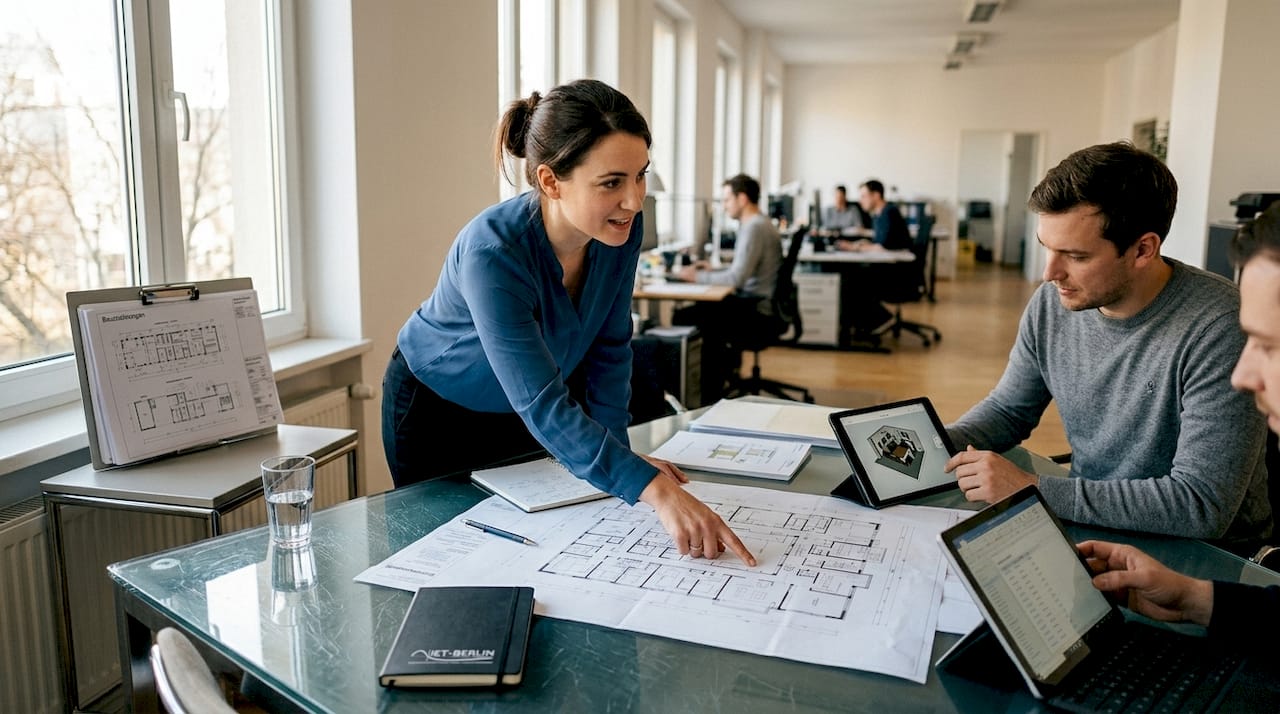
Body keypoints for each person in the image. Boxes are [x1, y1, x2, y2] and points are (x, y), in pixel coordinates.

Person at [382, 79, 755, 566]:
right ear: (551, 181)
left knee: (536, 557)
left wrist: (621, 459)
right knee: (451, 565)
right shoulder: (493, 252)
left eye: (640, 175)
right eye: (611, 183)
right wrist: (654, 489)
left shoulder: (618, 228)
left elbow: (610, 348)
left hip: (524, 412)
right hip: (438, 413)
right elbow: (542, 400)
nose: (634, 200)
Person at [944, 141, 1271, 547]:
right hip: (1092, 525)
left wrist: (1030, 487)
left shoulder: (1219, 325)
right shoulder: (1053, 302)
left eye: (1075, 256)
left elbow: (1200, 504)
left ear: (1142, 250)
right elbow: (1009, 410)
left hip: (1206, 559)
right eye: (1048, 248)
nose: (1049, 274)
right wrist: (935, 443)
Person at [1078, 200, 1280, 647]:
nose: (1243, 377)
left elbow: (1200, 503)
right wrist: (1196, 601)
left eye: (1267, 345)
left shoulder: (1209, 319)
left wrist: (1034, 485)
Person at [672, 174, 782, 403]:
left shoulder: (754, 228)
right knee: (702, 312)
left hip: (756, 311)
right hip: (756, 303)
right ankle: (715, 384)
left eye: (726, 200)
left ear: (742, 199)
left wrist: (696, 276)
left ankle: (707, 396)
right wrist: (711, 269)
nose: (724, 206)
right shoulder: (758, 224)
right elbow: (741, 271)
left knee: (685, 316)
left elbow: (736, 279)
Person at [835, 179, 910, 252]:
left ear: (876, 195)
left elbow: (884, 247)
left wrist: (853, 247)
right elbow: (879, 243)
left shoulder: (889, 213)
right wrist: (857, 244)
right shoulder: (877, 215)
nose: (860, 201)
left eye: (863, 196)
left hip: (898, 261)